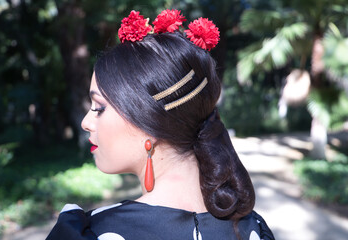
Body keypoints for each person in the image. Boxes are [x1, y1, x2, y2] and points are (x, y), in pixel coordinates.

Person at [46, 9, 275, 240]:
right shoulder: (251, 228)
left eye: (99, 107)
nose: (86, 122)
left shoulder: (90, 233)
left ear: (150, 121)